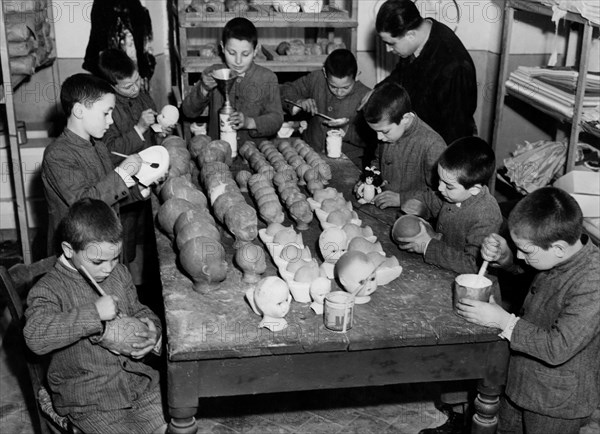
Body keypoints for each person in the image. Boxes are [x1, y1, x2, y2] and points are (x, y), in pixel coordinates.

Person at [456, 187, 600, 434]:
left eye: (525, 250)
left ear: (558, 248)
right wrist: (506, 259)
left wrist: (504, 321)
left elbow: (558, 347)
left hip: (556, 404)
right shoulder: (558, 252)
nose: (521, 256)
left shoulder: (592, 282)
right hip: (520, 382)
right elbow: (536, 283)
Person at [24, 198, 166, 434]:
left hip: (140, 385)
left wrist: (153, 333)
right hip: (90, 400)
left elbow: (141, 310)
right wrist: (94, 314)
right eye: (98, 261)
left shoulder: (118, 274)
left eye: (115, 258)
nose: (108, 268)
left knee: (176, 426)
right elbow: (35, 336)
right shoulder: (48, 289)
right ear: (69, 250)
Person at [41, 73, 149, 256]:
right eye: (106, 113)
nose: (111, 120)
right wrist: (122, 173)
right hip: (79, 253)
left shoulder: (98, 146)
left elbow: (107, 198)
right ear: (79, 111)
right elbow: (84, 204)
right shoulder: (57, 155)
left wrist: (142, 188)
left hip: (106, 243)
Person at [97, 48, 166, 280]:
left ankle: (142, 284)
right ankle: (125, 286)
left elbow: (153, 129)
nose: (135, 88)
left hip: (147, 181)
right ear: (111, 86)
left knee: (146, 238)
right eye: (128, 86)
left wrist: (159, 128)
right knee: (123, 244)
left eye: (137, 81)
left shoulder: (141, 95)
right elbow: (108, 152)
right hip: (124, 191)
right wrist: (139, 129)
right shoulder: (106, 108)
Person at [374, 0, 477, 145]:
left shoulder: (454, 66)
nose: (388, 50)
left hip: (442, 146)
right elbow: (401, 74)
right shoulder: (419, 34)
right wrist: (377, 92)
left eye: (391, 43)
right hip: (417, 135)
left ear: (410, 35)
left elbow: (456, 132)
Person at [398, 136, 502, 275]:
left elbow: (473, 265)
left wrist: (427, 246)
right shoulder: (451, 194)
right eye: (440, 180)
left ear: (474, 189)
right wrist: (419, 206)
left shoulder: (486, 215)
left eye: (448, 185)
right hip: (439, 267)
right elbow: (429, 199)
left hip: (461, 279)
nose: (440, 188)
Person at [182, 17, 283, 145]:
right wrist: (204, 89)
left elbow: (276, 119)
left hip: (257, 154)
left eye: (245, 54)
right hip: (218, 153)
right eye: (232, 53)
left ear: (256, 50)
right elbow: (188, 111)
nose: (238, 61)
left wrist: (249, 122)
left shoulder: (267, 78)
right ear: (223, 48)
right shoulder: (214, 73)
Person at [280, 49, 375, 167]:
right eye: (333, 86)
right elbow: (285, 89)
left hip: (349, 161)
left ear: (356, 76)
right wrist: (298, 102)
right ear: (325, 73)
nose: (339, 92)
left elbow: (373, 138)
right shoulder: (316, 79)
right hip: (311, 152)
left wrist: (347, 131)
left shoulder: (365, 96)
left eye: (346, 87)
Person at [361, 81, 445, 210]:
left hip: (414, 218)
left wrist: (402, 199)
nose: (379, 138)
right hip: (383, 209)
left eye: (384, 131)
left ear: (405, 118)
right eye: (375, 132)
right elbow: (378, 161)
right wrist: (369, 181)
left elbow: (443, 196)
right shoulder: (388, 131)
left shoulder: (432, 145)